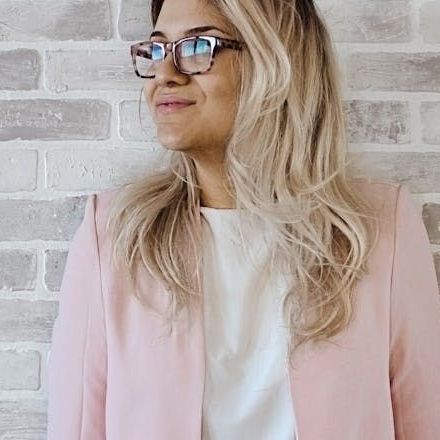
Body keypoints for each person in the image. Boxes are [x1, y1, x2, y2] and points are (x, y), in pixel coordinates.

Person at [46, 0, 440, 438]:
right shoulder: (115, 235)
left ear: (277, 60)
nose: (165, 74)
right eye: (157, 51)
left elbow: (423, 421)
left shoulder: (381, 229)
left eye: (197, 47)